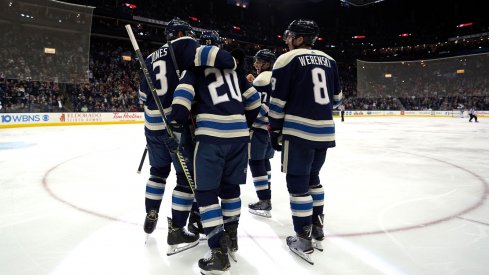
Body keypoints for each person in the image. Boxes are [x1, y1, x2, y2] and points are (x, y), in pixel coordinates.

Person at [138, 18, 236, 255]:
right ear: (184, 33)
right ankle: (177, 229)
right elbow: (206, 73)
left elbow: (143, 95)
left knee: (157, 173)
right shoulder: (188, 46)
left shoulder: (151, 57)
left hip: (151, 124)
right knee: (185, 178)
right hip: (177, 123)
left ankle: (152, 210)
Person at [171, 30, 261, 274]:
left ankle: (218, 251)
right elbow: (255, 103)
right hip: (239, 137)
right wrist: (245, 124)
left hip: (210, 137)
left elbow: (180, 102)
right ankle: (230, 237)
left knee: (206, 193)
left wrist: (176, 124)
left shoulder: (194, 70)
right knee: (231, 189)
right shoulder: (236, 71)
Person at [268, 19, 343, 264]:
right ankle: (317, 227)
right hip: (324, 133)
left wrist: (274, 130)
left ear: (300, 39)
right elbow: (336, 99)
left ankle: (303, 239)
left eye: (290, 36)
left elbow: (277, 103)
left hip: (299, 132)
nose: (287, 39)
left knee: (297, 184)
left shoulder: (286, 60)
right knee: (314, 180)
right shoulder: (329, 60)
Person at [247, 49, 277, 218]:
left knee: (256, 162)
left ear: (266, 63)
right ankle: (267, 193)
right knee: (264, 161)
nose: (256, 64)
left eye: (259, 61)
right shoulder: (275, 78)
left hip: (258, 128)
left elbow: (259, 106)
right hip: (270, 129)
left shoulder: (262, 79)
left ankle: (264, 200)